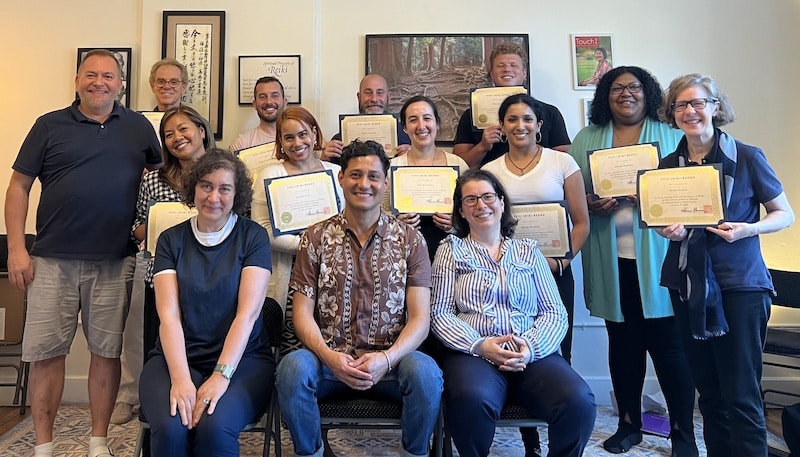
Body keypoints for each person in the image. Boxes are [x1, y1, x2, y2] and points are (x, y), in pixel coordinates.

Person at [4, 49, 162, 457]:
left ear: (121, 84)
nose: (99, 82)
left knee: (106, 354)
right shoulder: (49, 125)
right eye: (91, 75)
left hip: (115, 260)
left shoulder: (140, 127)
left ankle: (98, 442)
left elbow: (162, 184)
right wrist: (18, 249)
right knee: (47, 354)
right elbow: (19, 186)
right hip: (51, 259)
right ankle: (43, 446)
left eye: (108, 76)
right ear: (77, 80)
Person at [276, 139, 443, 457]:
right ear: (340, 179)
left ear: (385, 181)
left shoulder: (410, 240)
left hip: (392, 364)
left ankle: (415, 452)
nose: (363, 184)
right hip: (328, 362)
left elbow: (421, 319)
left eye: (373, 176)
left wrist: (387, 358)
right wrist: (329, 357)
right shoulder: (315, 237)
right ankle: (312, 452)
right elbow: (301, 313)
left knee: (427, 374)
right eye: (354, 175)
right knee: (291, 369)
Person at [658, 74, 794, 457]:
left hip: (741, 288)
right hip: (687, 287)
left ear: (716, 107)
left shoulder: (748, 157)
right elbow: (666, 224)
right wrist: (669, 231)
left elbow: (784, 214)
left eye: (698, 102)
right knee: (711, 396)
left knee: (741, 395)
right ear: (672, 114)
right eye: (680, 105)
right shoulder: (669, 166)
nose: (690, 111)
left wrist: (748, 229)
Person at [569, 66, 698, 455]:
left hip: (661, 260)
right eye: (617, 89)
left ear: (649, 94)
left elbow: (690, 191)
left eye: (634, 88)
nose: (626, 94)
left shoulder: (673, 135)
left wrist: (657, 197)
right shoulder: (588, 138)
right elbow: (573, 194)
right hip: (612, 259)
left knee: (671, 351)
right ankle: (629, 425)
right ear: (605, 96)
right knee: (623, 346)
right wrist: (593, 203)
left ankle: (683, 434)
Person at [431, 169, 596, 457]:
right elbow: (439, 313)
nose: (481, 205)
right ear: (461, 211)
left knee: (578, 401)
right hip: (473, 353)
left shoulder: (528, 251)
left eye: (488, 196)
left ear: (502, 203)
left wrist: (528, 348)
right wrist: (481, 345)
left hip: (531, 353)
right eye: (470, 200)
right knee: (471, 399)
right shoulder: (450, 251)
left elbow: (554, 312)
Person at [139, 150, 275, 456]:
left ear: (236, 193)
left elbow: (248, 315)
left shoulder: (252, 237)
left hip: (243, 362)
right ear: (193, 188)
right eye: (206, 186)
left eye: (224, 188)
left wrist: (220, 375)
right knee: (173, 426)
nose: (214, 196)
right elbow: (168, 316)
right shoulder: (170, 240)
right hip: (174, 359)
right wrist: (180, 378)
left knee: (214, 428)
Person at [112, 106, 215, 425]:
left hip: (211, 269)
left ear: (201, 129)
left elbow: (239, 218)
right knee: (141, 330)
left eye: (183, 129)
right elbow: (137, 225)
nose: (176, 138)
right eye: (168, 135)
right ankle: (137, 396)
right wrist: (161, 228)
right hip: (159, 266)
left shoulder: (225, 169)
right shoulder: (154, 179)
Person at [482, 93, 590, 364]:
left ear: (539, 125)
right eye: (512, 119)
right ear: (503, 127)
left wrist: (560, 263)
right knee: (509, 344)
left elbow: (582, 224)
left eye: (528, 119)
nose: (521, 125)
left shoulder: (562, 163)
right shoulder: (490, 171)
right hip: (505, 273)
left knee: (556, 348)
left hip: (555, 272)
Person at [251, 106, 344, 317]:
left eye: (303, 134)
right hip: (289, 271)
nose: (297, 143)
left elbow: (349, 223)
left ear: (314, 133)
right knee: (291, 339)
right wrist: (307, 246)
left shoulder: (336, 172)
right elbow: (262, 231)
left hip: (335, 269)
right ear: (281, 142)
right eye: (289, 137)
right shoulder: (269, 175)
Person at [453, 42, 571, 169]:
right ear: (492, 74)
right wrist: (482, 146)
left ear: (524, 73)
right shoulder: (470, 116)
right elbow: (460, 166)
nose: (507, 69)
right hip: (491, 185)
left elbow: (565, 161)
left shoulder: (550, 112)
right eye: (500, 65)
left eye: (513, 65)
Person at [386, 95, 469, 260]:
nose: (421, 126)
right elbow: (380, 212)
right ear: (404, 127)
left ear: (437, 123)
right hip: (403, 254)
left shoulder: (458, 165)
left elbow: (472, 212)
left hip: (452, 254)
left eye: (427, 118)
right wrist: (397, 222)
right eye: (413, 120)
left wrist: (454, 224)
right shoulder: (391, 168)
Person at [322, 74, 411, 163]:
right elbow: (332, 174)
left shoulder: (409, 136)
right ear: (359, 97)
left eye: (380, 93)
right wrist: (324, 159)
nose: (374, 99)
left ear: (388, 97)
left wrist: (415, 155)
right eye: (368, 93)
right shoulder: (340, 141)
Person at [229, 76, 288, 151]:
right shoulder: (241, 144)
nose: (269, 101)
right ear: (255, 104)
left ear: (285, 102)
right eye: (262, 97)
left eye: (275, 96)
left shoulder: (299, 140)